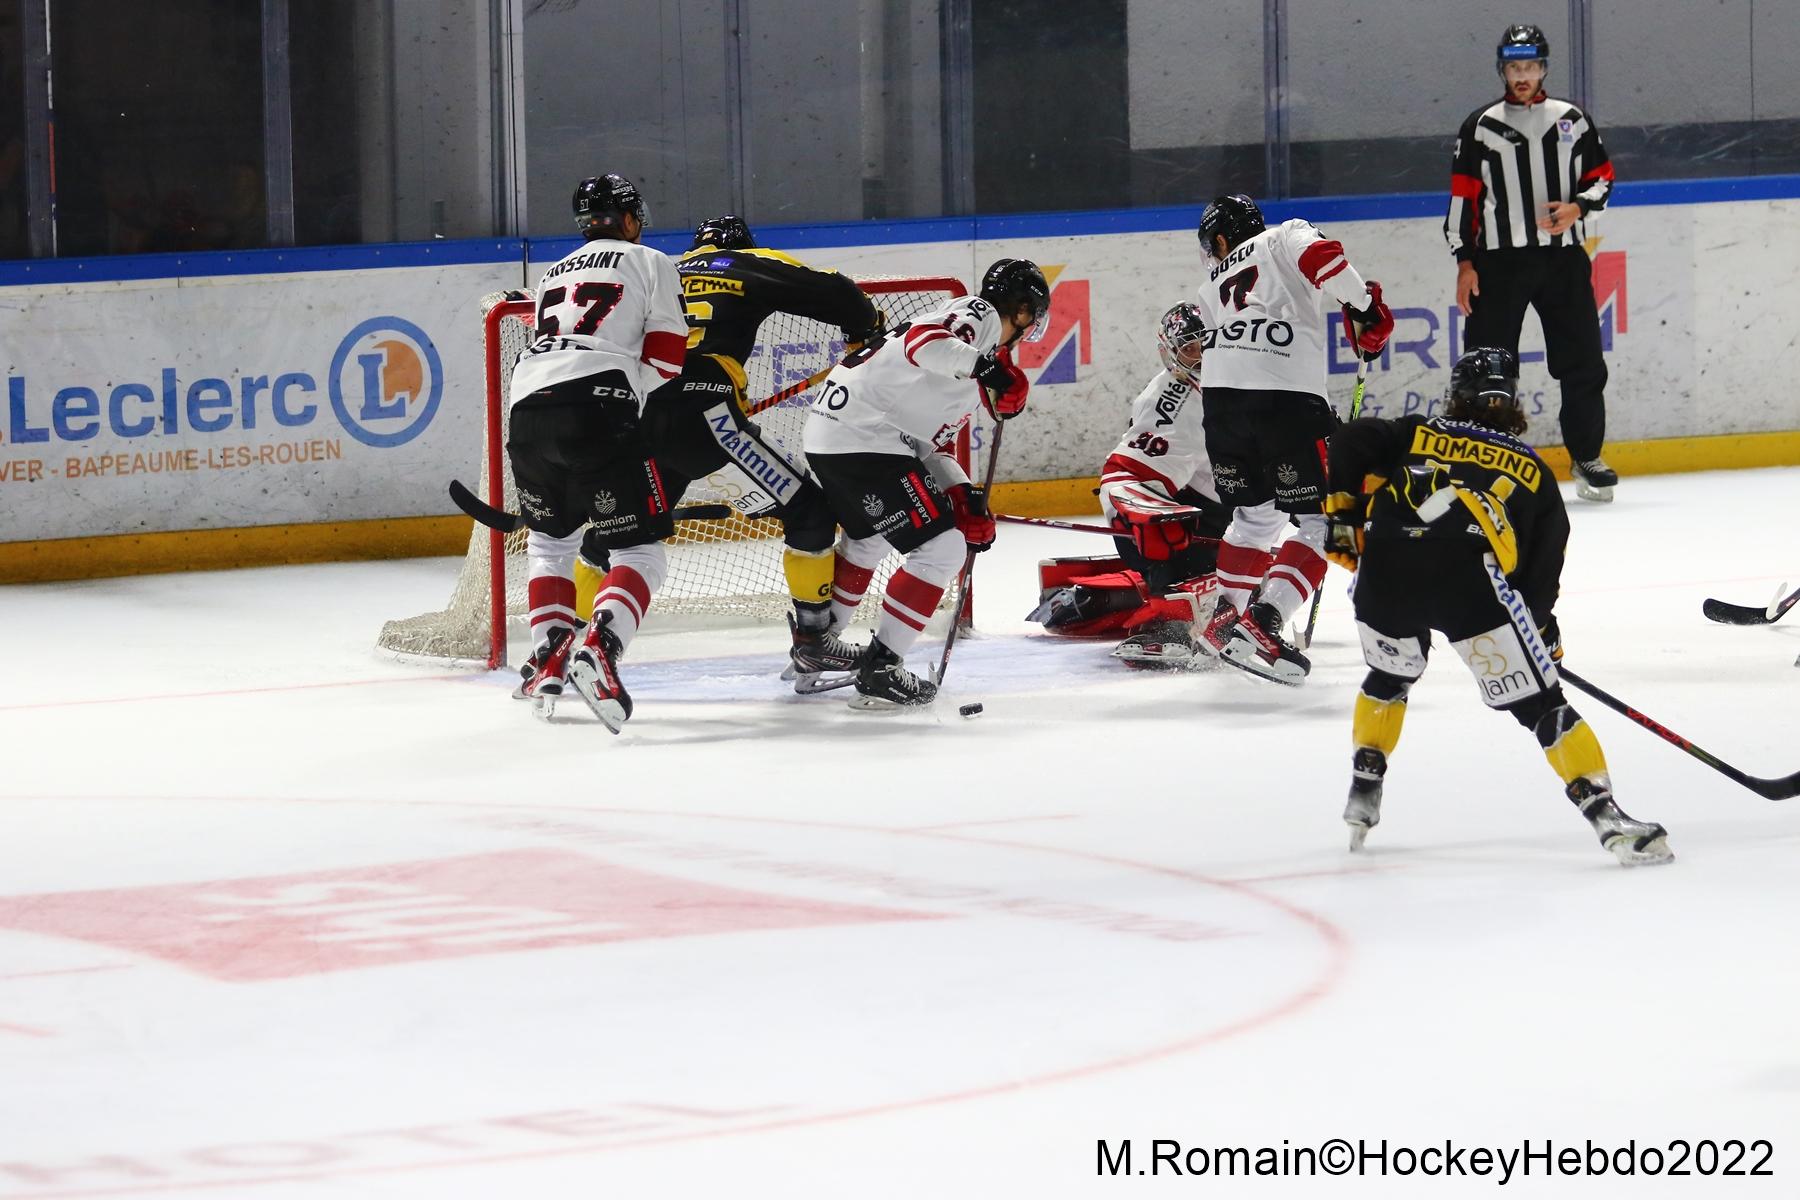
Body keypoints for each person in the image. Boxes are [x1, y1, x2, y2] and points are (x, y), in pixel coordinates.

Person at [1323, 346, 1670, 866]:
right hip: (1467, 584)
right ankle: (1607, 818)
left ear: (1455, 396)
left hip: (1384, 577)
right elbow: (1541, 571)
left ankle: (1364, 788)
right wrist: (1541, 635)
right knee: (1543, 707)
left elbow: (1350, 439)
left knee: (1388, 678)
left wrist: (1343, 515)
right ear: (1511, 402)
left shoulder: (1417, 432)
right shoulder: (1531, 469)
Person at [647, 215, 884, 692]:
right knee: (810, 512)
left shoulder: (661, 273)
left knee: (618, 536)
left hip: (644, 417)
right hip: (707, 414)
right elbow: (834, 289)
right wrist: (866, 325)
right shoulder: (743, 263)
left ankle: (561, 647)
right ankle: (814, 641)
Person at [803, 258, 1047, 708]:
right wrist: (988, 370)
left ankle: (816, 646)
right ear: (1023, 311)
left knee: (869, 539)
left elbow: (925, 446)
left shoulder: (968, 362)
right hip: (865, 436)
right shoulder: (980, 316)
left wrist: (961, 492)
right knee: (942, 550)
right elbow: (923, 340)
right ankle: (881, 669)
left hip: (837, 435)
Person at [507, 172, 688, 732]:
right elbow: (667, 359)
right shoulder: (651, 261)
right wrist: (625, 395)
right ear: (630, 218)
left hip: (526, 407)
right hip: (598, 405)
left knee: (549, 543)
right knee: (640, 552)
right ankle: (600, 649)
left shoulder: (552, 272)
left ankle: (548, 662)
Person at [1190, 192, 1394, 684]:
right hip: (1284, 400)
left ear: (1222, 239)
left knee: (1254, 517)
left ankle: (1225, 618)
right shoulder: (1284, 234)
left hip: (1221, 405)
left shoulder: (1208, 286)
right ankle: (1264, 621)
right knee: (1329, 520)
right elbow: (1326, 259)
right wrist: (1366, 307)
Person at [1447, 23, 1619, 502]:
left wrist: (1578, 207)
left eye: (1530, 66)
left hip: (1564, 261)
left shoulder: (1572, 120)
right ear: (1502, 71)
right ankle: (1483, 462)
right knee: (1487, 367)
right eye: (1514, 67)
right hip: (1498, 264)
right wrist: (1464, 262)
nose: (1522, 76)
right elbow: (1463, 199)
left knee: (1583, 361)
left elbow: (1603, 177)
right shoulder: (1480, 126)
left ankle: (1586, 457)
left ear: (1543, 69)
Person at [1097, 301, 1230, 666]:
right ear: (1169, 353)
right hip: (1201, 517)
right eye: (1191, 348)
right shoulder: (1172, 401)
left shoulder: (1238, 376)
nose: (1203, 356)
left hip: (1236, 502)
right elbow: (1125, 475)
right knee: (1153, 527)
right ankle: (1171, 607)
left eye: (1208, 343)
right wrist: (1146, 519)